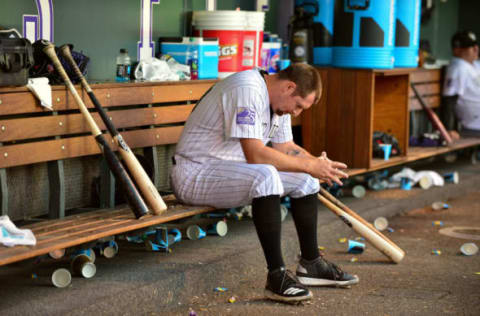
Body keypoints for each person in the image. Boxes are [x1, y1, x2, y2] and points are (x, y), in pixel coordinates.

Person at [170, 63, 359, 304]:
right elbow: (255, 155)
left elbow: (287, 148)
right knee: (266, 175)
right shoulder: (247, 88)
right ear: (289, 87)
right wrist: (309, 165)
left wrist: (317, 164)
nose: (297, 113)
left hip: (229, 172)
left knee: (305, 179)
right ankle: (276, 276)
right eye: (298, 105)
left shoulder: (278, 103)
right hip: (194, 174)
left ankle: (311, 264)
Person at [443, 30, 480, 138]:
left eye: (475, 46)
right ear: (457, 50)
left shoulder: (475, 64)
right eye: (470, 47)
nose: (476, 49)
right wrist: (448, 129)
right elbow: (449, 100)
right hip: (474, 124)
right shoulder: (458, 67)